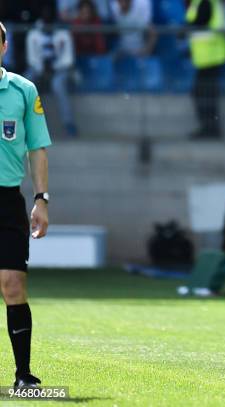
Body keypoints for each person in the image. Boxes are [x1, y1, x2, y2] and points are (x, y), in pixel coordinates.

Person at [0, 22, 52, 388]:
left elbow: (37, 149)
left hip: (7, 200)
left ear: (3, 47)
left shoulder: (22, 90)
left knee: (13, 284)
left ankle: (23, 376)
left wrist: (41, 199)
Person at [26, 5, 78, 138]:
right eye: (45, 14)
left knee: (58, 84)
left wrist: (54, 67)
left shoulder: (63, 32)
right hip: (39, 69)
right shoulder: (34, 33)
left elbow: (68, 59)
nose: (47, 16)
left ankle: (69, 124)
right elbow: (32, 58)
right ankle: (24, 126)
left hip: (60, 69)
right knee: (25, 83)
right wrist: (42, 68)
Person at [186, 0, 225, 139]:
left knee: (204, 94)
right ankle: (209, 128)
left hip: (211, 57)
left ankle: (210, 129)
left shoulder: (205, 2)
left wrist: (184, 28)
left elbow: (200, 21)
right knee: (203, 94)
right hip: (207, 58)